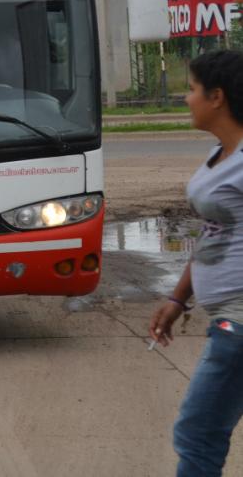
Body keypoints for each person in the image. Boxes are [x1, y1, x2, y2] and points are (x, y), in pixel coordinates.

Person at [148, 49, 243, 476]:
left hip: (239, 321)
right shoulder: (220, 156)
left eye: (191, 89)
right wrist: (178, 297)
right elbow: (213, 232)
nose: (187, 98)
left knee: (198, 433)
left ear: (217, 96)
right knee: (202, 431)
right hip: (225, 313)